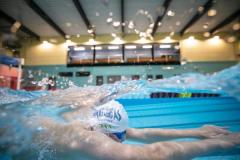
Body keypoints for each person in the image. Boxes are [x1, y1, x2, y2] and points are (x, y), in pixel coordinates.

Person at [19, 100, 238, 160]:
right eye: (119, 137)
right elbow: (156, 154)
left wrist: (196, 132)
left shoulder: (95, 125)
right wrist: (228, 144)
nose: (123, 140)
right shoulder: (85, 140)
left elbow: (141, 134)